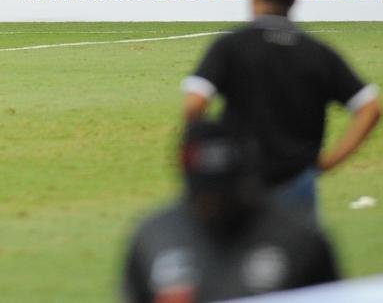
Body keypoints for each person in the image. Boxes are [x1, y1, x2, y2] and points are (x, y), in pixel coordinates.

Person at [182, 0, 382, 218]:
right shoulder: (316, 52)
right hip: (297, 180)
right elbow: (371, 108)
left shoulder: (231, 46)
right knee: (299, 254)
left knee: (238, 253)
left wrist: (208, 154)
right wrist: (329, 161)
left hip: (242, 178)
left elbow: (194, 105)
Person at [122, 120, 340, 302]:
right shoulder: (154, 236)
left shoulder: (298, 239)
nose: (216, 206)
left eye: (227, 194)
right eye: (206, 196)